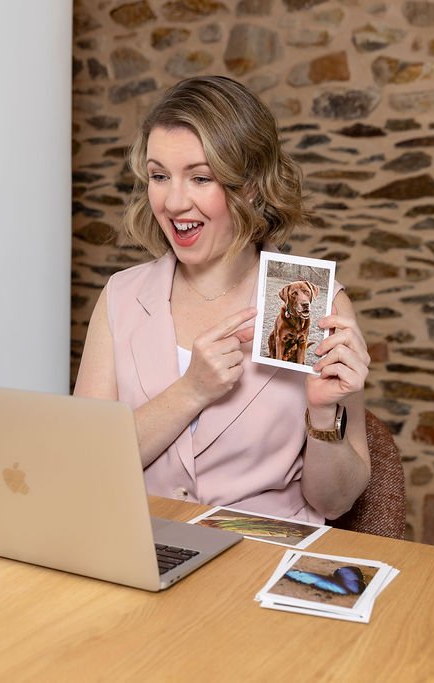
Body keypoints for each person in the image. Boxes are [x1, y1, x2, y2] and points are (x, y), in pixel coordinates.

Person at [74, 76, 371, 523]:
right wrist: (191, 390)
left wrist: (323, 413)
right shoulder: (122, 296)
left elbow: (334, 503)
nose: (174, 202)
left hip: (260, 553)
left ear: (250, 185)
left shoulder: (310, 301)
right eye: (159, 176)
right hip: (138, 544)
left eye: (200, 178)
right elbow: (84, 465)